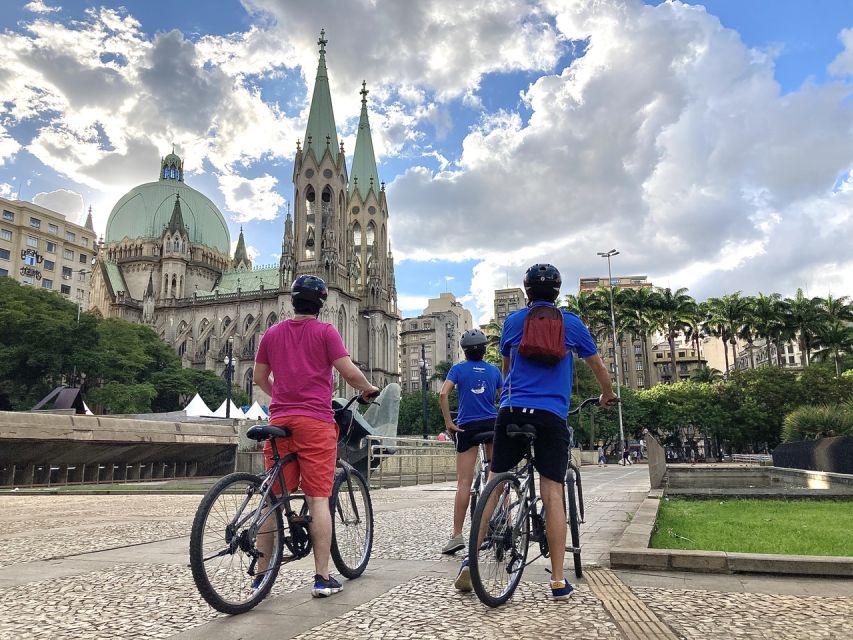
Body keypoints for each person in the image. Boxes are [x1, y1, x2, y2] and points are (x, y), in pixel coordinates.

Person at [459, 263, 617, 600]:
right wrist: (607, 393)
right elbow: (598, 365)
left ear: (527, 290)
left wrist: (505, 395)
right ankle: (558, 581)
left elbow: (505, 366)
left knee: (495, 482)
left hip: (512, 411)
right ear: (557, 291)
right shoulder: (571, 323)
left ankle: (469, 565)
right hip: (550, 416)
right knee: (553, 492)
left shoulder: (514, 321)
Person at [253, 275, 379, 598]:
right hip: (315, 423)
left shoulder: (272, 333)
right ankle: (322, 578)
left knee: (271, 497)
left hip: (280, 421)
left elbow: (258, 378)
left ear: (293, 301)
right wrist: (367, 389)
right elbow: (348, 372)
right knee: (318, 497)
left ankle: (261, 578)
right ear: (321, 305)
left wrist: (280, 392)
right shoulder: (326, 332)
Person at [438, 328, 502, 557]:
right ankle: (504, 522)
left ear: (464, 351)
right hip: (492, 425)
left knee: (463, 483)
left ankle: (456, 535)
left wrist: (449, 423)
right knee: (497, 476)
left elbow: (443, 394)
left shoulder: (458, 369)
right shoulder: (494, 371)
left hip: (466, 427)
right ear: (485, 350)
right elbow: (503, 397)